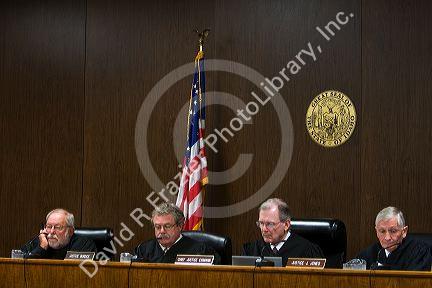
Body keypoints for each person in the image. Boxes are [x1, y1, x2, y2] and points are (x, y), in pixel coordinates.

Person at [242, 198, 324, 266]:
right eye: (261, 223)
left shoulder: (307, 251)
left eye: (270, 224)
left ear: (286, 224)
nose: (264, 229)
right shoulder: (252, 250)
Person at [134, 202, 221, 264]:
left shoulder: (200, 251)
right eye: (157, 227)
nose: (162, 231)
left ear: (180, 226)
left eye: (167, 226)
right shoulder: (144, 250)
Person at [356, 206, 431, 271]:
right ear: (376, 232)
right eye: (382, 231)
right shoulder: (368, 254)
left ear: (404, 231)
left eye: (393, 231)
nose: (387, 238)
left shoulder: (419, 252)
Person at [21, 208, 97, 259]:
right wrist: (42, 248)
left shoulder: (84, 244)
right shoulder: (39, 241)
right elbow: (22, 266)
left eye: (58, 227)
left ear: (70, 231)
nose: (51, 231)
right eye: (49, 226)